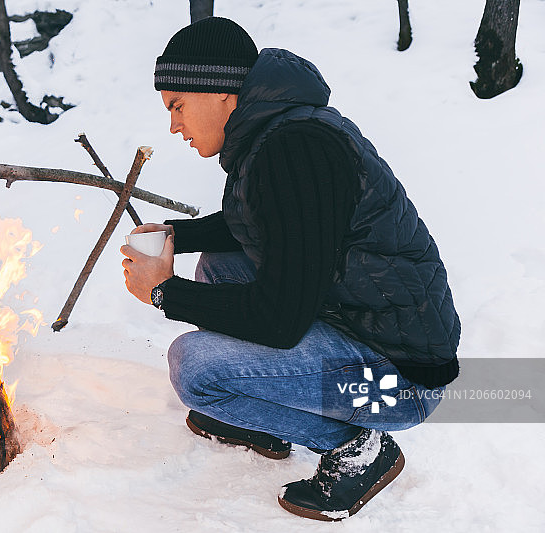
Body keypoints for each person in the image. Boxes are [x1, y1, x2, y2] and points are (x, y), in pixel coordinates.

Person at [120, 17, 460, 521]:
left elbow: (281, 318)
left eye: (177, 105)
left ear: (220, 93)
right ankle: (268, 417)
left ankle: (356, 449)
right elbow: (258, 223)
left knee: (194, 368)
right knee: (220, 264)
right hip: (365, 330)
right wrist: (177, 235)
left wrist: (165, 293)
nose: (174, 125)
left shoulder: (294, 149)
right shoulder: (282, 133)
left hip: (398, 383)